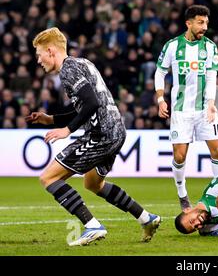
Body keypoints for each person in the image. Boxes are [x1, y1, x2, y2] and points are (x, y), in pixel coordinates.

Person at [26, 27, 161, 246]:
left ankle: (91, 225)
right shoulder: (83, 63)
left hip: (101, 134)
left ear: (50, 51)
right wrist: (50, 120)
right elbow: (85, 105)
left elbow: (91, 103)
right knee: (93, 183)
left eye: (39, 55)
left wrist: (67, 130)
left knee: (48, 177)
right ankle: (146, 217)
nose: (39, 61)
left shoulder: (67, 70)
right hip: (117, 131)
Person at [154, 5, 218, 210]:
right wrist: (161, 99)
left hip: (205, 108)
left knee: (217, 150)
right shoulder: (172, 46)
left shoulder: (210, 47)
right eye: (200, 22)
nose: (204, 27)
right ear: (189, 23)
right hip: (181, 109)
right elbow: (160, 73)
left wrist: (211, 103)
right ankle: (182, 193)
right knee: (179, 156)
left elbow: (212, 77)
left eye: (206, 23)